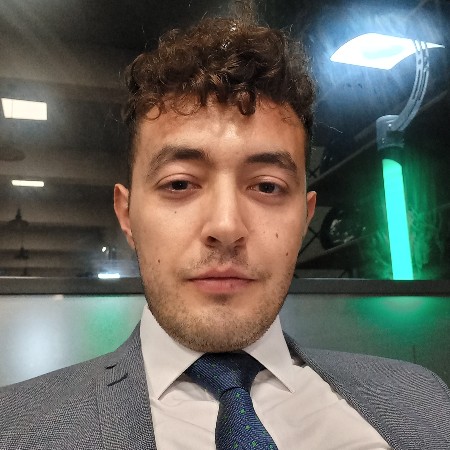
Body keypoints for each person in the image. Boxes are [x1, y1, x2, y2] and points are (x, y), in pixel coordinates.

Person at [1, 11, 450, 450]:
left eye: (267, 186)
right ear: (127, 214)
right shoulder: (16, 427)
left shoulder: (422, 401)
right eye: (179, 184)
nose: (226, 226)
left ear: (305, 216)